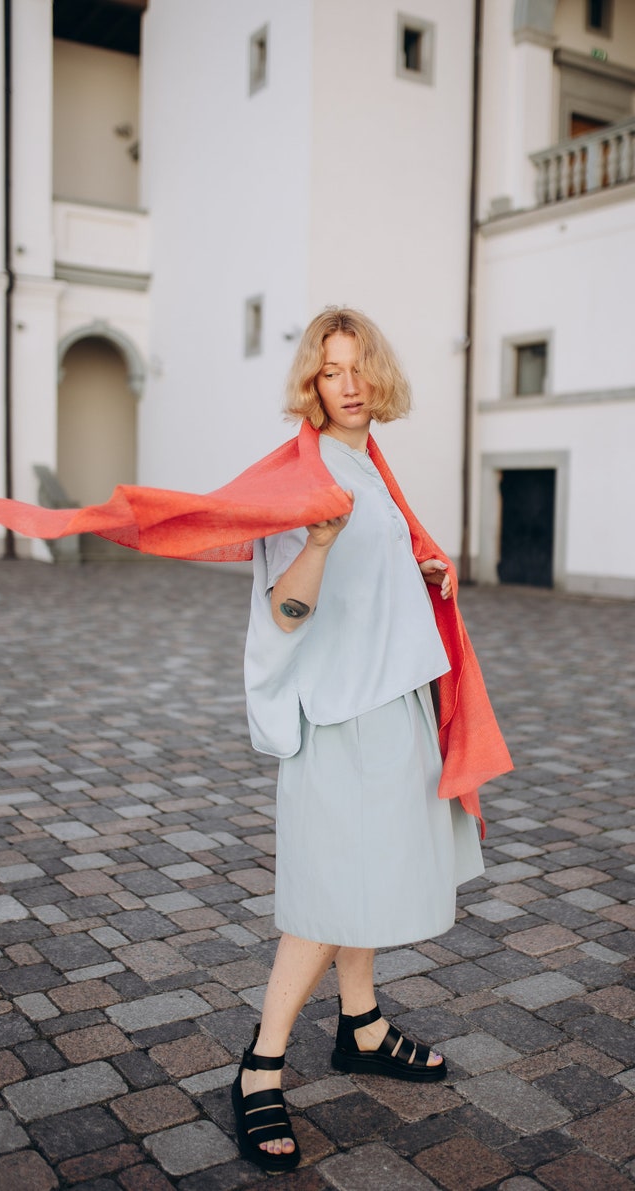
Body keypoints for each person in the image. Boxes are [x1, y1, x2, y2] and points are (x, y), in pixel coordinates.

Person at [234, 307, 509, 1173]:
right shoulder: (303, 475)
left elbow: (374, 573)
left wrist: (413, 568)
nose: (347, 384)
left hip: (391, 701)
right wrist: (317, 541)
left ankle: (361, 1025)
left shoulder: (370, 464)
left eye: (357, 367)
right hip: (340, 713)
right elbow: (286, 607)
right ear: (311, 386)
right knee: (327, 893)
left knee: (367, 876)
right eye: (330, 371)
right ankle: (259, 1068)